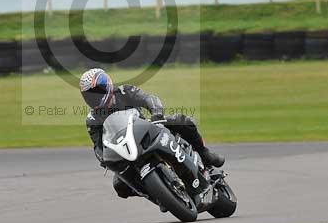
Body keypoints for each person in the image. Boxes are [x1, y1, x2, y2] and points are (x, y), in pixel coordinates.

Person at [79, 68, 225, 199]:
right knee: (119, 186)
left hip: (148, 129)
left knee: (182, 120)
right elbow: (98, 146)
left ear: (107, 86)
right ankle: (156, 194)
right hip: (126, 151)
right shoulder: (92, 119)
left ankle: (205, 154)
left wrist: (156, 114)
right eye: (90, 96)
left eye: (97, 92)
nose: (94, 98)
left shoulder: (124, 92)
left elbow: (149, 99)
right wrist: (104, 159)